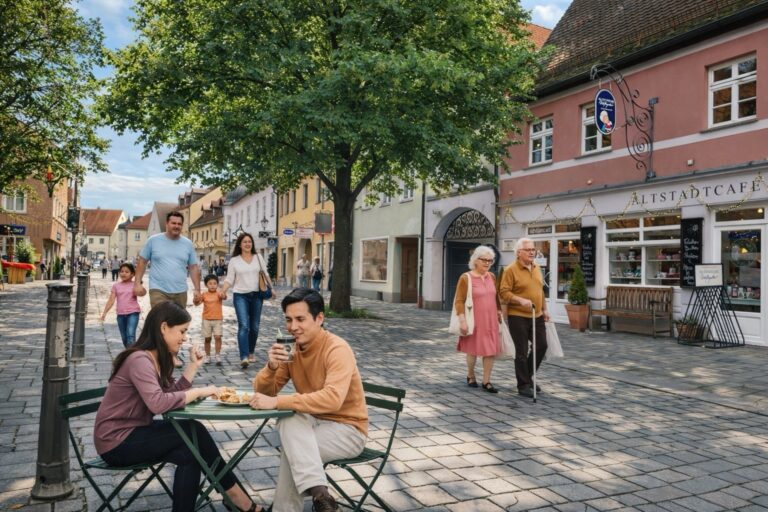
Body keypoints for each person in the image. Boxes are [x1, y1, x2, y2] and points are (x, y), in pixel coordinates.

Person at [93, 301, 263, 512]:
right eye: (182, 331)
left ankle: (235, 500)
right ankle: (239, 500)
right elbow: (159, 404)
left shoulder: (154, 359)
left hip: (134, 433)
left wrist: (192, 367)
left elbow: (170, 396)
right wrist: (201, 391)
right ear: (164, 327)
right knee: (194, 430)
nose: (184, 338)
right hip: (117, 442)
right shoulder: (139, 360)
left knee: (191, 453)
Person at [250, 288, 367, 512]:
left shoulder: (337, 348)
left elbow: (332, 399)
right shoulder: (292, 348)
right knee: (288, 421)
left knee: (292, 450)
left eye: (300, 319)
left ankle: (306, 501)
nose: (293, 327)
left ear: (319, 318)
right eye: (289, 320)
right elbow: (265, 391)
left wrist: (277, 403)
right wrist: (271, 366)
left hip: (348, 430)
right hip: (312, 425)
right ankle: (321, 497)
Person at [134, 211, 201, 367]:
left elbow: (193, 267)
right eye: (173, 223)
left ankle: (172, 355)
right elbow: (142, 262)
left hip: (180, 290)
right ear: (167, 224)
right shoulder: (153, 241)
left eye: (179, 224)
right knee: (161, 323)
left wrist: (197, 289)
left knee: (177, 325)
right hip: (159, 288)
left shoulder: (187, 244)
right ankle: (160, 355)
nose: (176, 226)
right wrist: (137, 283)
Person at [499, 238, 549, 398]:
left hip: (537, 314)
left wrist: (545, 309)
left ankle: (527, 376)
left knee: (541, 346)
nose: (532, 252)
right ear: (519, 252)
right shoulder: (510, 270)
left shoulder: (537, 267)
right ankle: (523, 385)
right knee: (521, 351)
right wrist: (520, 300)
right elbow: (504, 292)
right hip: (518, 315)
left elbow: (540, 290)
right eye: (528, 249)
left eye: (533, 249)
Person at [219, 233, 276, 368]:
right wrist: (223, 290)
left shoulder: (258, 257)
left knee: (254, 327)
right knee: (244, 325)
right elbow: (229, 279)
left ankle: (251, 352)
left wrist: (272, 288)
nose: (247, 244)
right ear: (240, 244)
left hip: (257, 295)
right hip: (240, 296)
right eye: (244, 242)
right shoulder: (234, 260)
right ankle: (244, 356)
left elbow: (265, 273)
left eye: (249, 241)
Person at [453, 245, 502, 393]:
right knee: (472, 350)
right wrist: (462, 321)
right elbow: (459, 301)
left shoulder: (492, 277)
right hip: (474, 320)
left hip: (490, 320)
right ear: (475, 260)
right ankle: (470, 374)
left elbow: (496, 296)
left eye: (490, 260)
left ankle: (486, 381)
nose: (487, 263)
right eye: (484, 260)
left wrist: (499, 310)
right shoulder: (466, 277)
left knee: (490, 351)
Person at [100, 262, 145, 347]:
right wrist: (105, 313)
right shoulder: (116, 286)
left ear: (132, 274)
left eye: (127, 272)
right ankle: (130, 353)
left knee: (130, 335)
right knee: (124, 338)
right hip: (120, 315)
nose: (123, 273)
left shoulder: (134, 285)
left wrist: (139, 285)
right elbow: (111, 300)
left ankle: (131, 356)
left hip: (133, 313)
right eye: (122, 271)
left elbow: (143, 293)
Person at [199, 274, 224, 366]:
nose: (212, 285)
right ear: (206, 285)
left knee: (218, 337)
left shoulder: (219, 294)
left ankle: (217, 355)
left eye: (214, 283)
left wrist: (223, 293)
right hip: (206, 319)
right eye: (210, 283)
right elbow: (197, 303)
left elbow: (224, 297)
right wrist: (196, 298)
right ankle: (207, 356)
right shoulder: (204, 294)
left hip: (218, 319)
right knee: (207, 339)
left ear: (217, 284)